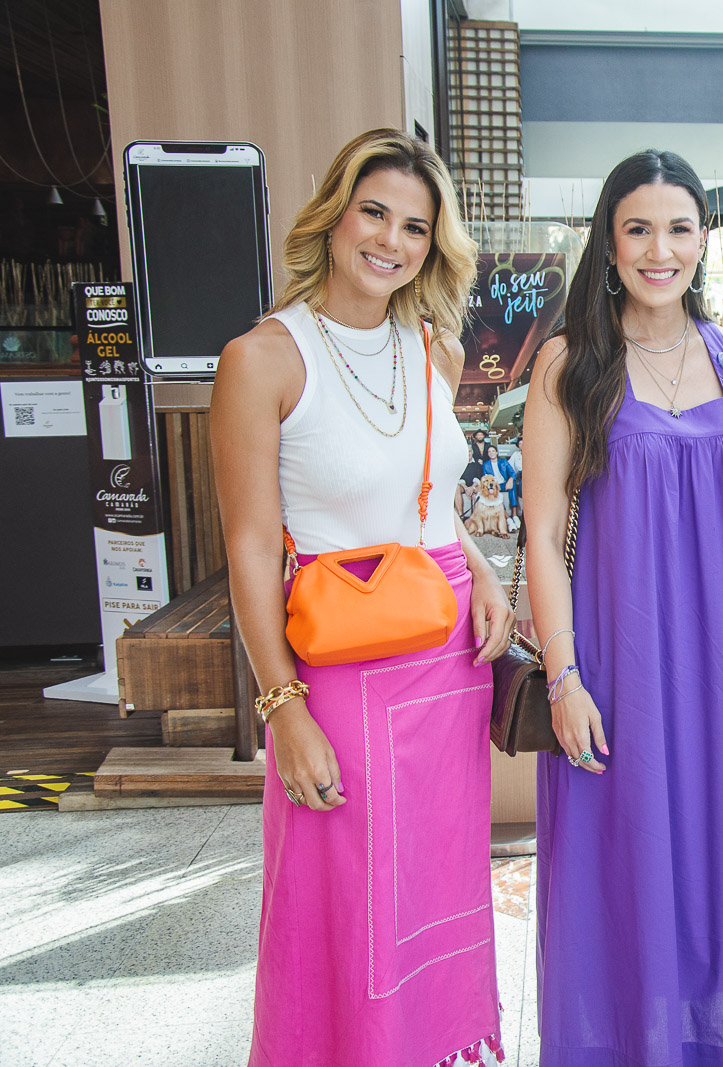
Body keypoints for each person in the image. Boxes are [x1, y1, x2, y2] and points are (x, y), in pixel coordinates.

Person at [211, 128, 514, 1066]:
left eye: (415, 227)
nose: (391, 240)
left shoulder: (434, 348)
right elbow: (250, 545)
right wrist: (282, 708)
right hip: (339, 663)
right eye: (374, 213)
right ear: (333, 217)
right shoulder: (264, 357)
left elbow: (424, 498)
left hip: (448, 653)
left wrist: (484, 568)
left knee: (433, 885)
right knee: (342, 895)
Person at [520, 149, 723, 1067]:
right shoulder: (570, 362)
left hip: (718, 675)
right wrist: (564, 677)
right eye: (638, 229)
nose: (660, 250)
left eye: (679, 228)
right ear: (610, 243)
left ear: (703, 239)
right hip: (614, 668)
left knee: (706, 878)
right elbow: (544, 532)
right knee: (612, 880)